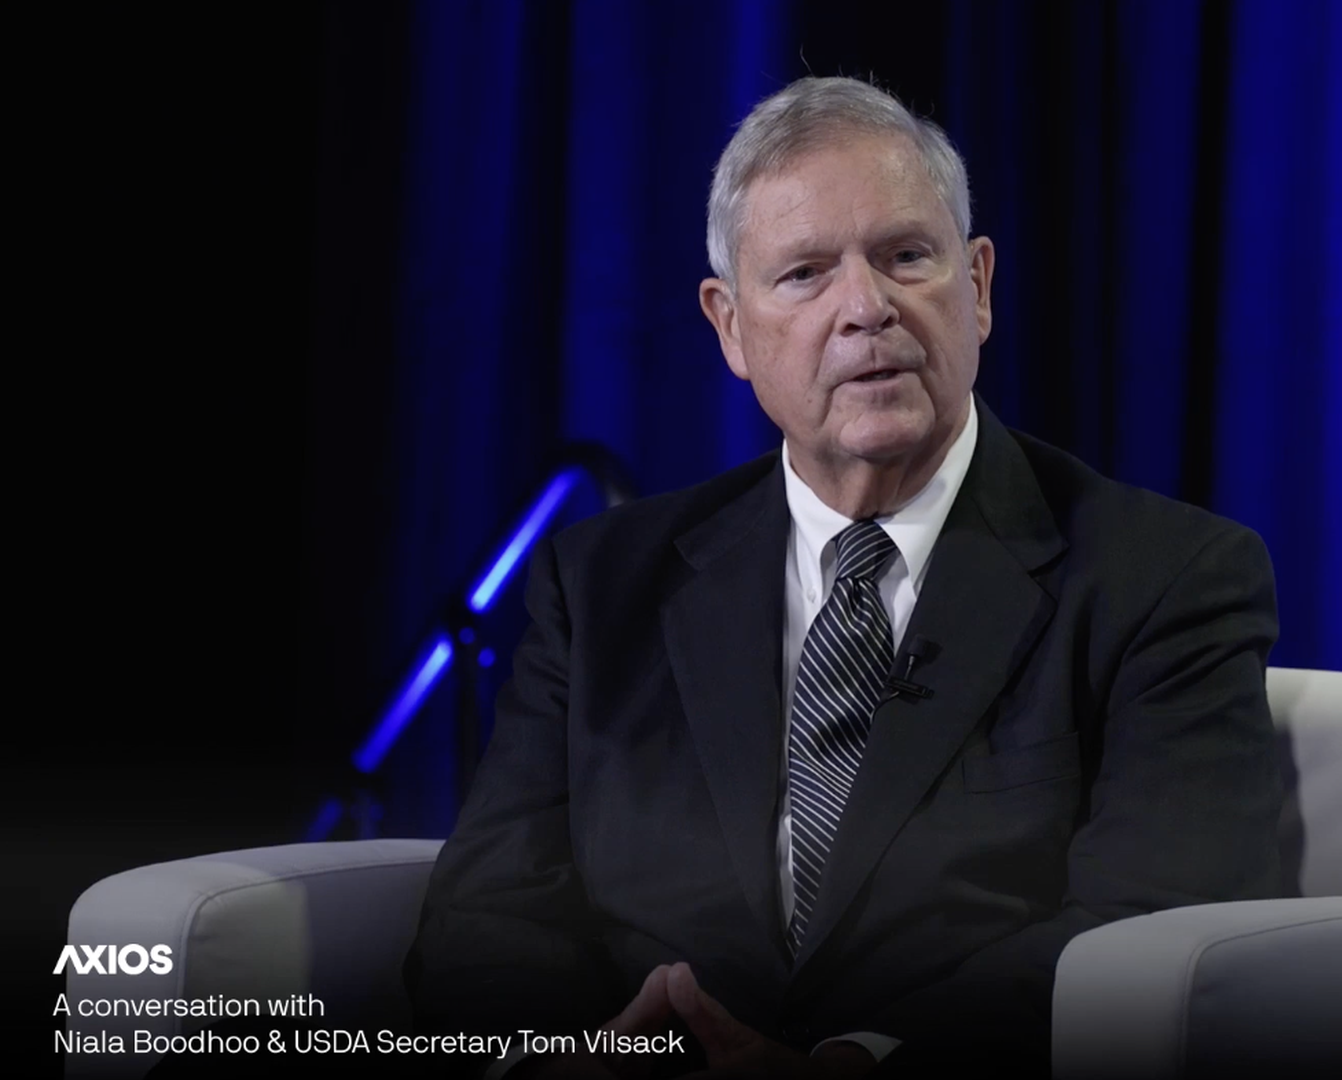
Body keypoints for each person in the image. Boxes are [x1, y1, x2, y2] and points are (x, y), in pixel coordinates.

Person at [404, 75, 1290, 1080]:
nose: (867, 309)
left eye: (906, 256)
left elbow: (1153, 929)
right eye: (804, 274)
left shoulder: (1163, 580)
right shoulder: (600, 585)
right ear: (730, 328)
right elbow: (490, 912)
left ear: (978, 287)